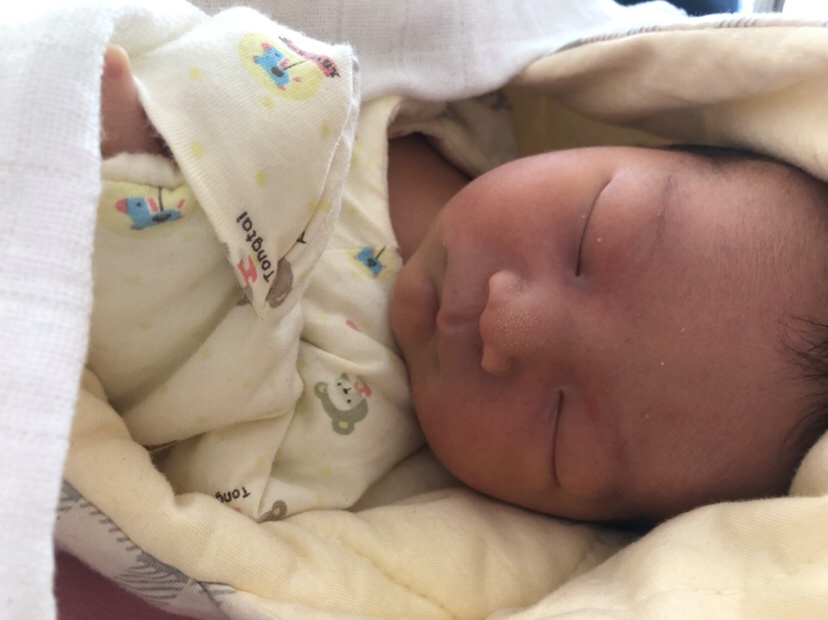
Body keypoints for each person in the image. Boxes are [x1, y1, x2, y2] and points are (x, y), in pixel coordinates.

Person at [98, 20, 828, 525]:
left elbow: (179, 396)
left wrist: (141, 175)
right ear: (629, 142)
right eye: (587, 243)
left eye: (561, 429)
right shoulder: (473, 100)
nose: (506, 325)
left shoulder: (338, 452)